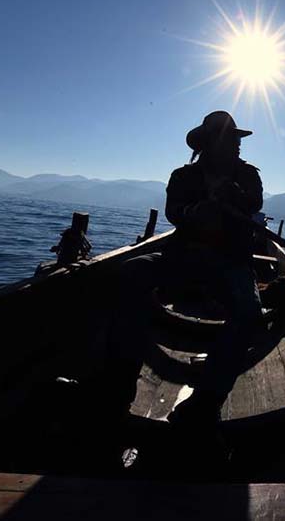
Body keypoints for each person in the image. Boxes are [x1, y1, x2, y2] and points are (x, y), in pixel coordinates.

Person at [112, 110, 264, 426]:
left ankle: (203, 406)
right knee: (130, 273)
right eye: (232, 140)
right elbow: (174, 212)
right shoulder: (183, 177)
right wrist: (198, 211)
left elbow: (254, 204)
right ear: (211, 143)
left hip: (232, 263)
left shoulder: (248, 175)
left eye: (238, 140)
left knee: (249, 313)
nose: (238, 146)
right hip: (183, 258)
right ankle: (113, 388)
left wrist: (232, 195)